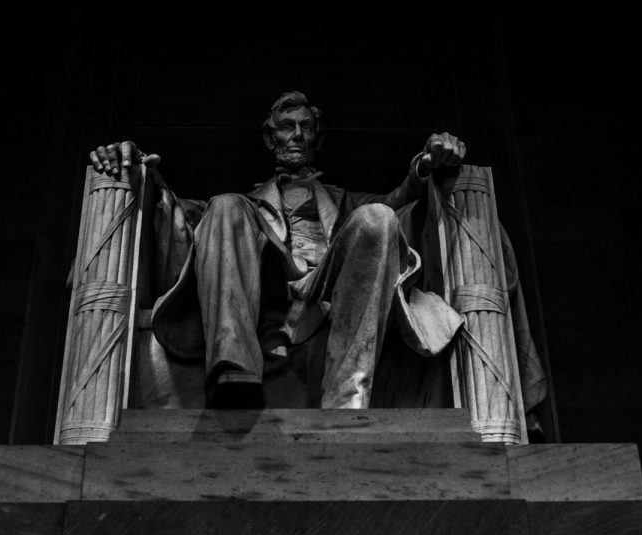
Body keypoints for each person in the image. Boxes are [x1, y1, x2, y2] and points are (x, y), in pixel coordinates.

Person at [90, 91, 465, 408]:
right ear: (272, 139)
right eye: (288, 127)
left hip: (329, 282)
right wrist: (138, 169)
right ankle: (234, 369)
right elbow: (173, 215)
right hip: (270, 284)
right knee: (225, 204)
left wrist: (427, 167)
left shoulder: (346, 201)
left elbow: (402, 201)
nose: (297, 135)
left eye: (306, 128)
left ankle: (346, 396)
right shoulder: (245, 206)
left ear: (317, 139)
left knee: (379, 218)